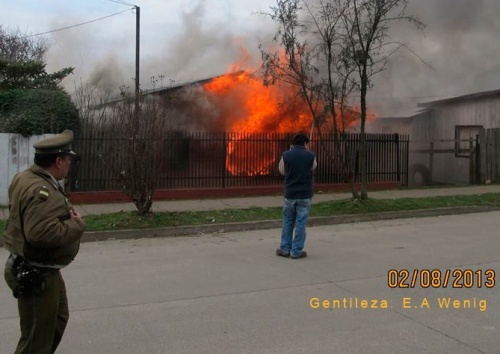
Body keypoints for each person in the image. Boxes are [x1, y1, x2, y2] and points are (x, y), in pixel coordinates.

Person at [3, 130, 85, 354]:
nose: (69, 166)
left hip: (43, 268)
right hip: (37, 274)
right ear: (58, 161)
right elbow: (39, 234)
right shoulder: (42, 190)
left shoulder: (26, 177)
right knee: (35, 342)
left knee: (57, 319)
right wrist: (76, 225)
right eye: (68, 161)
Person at [276, 133, 317, 259]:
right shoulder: (310, 155)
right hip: (305, 194)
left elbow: (282, 171)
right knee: (300, 223)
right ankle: (296, 251)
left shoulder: (286, 155)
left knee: (288, 221)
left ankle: (285, 249)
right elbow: (313, 167)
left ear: (293, 143)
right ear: (305, 143)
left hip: (290, 193)